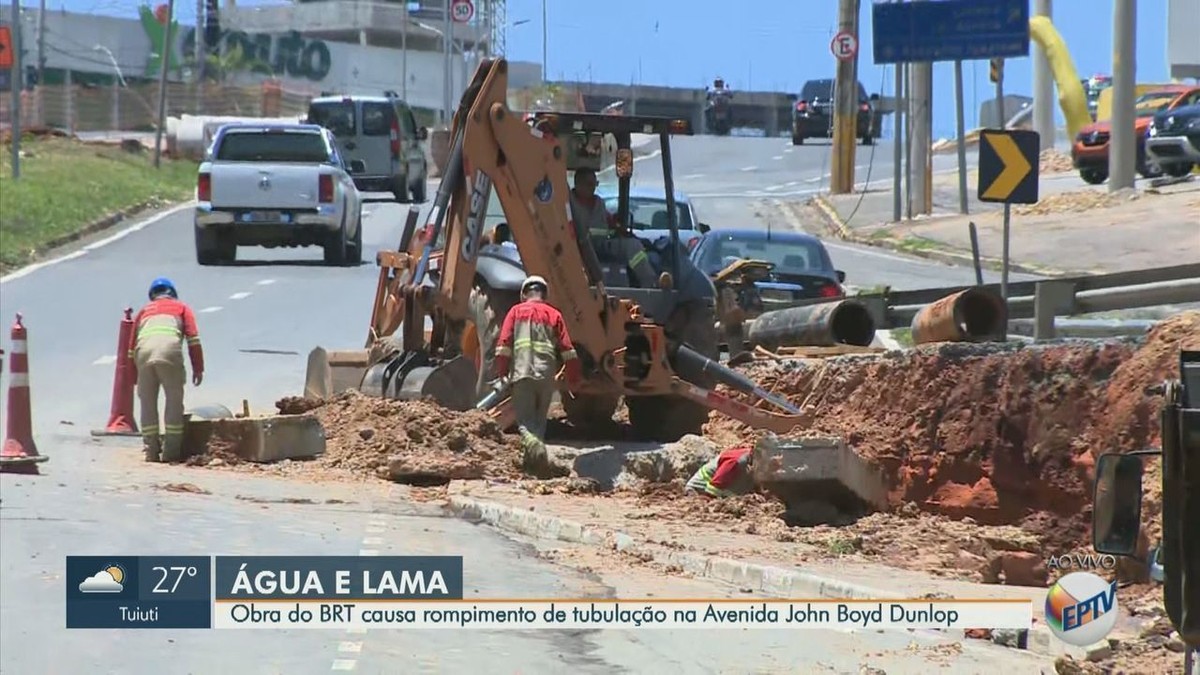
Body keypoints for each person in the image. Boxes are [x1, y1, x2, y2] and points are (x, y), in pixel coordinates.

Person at [494, 275, 583, 477]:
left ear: (524, 294)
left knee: (525, 423)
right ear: (545, 293)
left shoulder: (515, 312)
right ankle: (533, 466)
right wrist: (574, 377)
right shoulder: (554, 314)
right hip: (546, 376)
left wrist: (501, 371)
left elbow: (503, 345)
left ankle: (535, 449)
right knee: (539, 421)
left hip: (522, 374)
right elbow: (568, 350)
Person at [128, 277, 204, 463]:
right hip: (170, 353)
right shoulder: (182, 308)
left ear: (152, 295)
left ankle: (151, 450)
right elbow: (193, 340)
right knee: (173, 400)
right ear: (173, 293)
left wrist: (133, 375)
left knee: (147, 402)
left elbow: (130, 348)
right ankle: (172, 451)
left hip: (143, 354)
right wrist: (198, 368)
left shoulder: (144, 311)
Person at [567, 168, 657, 287]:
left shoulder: (599, 203)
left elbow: (610, 222)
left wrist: (620, 229)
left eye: (595, 184)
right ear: (578, 184)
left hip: (602, 247)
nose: (593, 188)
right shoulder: (568, 203)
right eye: (590, 184)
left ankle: (651, 283)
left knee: (633, 246)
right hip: (578, 250)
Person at [685, 446, 756, 498]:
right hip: (700, 490)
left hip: (726, 493)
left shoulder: (754, 462)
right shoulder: (735, 462)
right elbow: (713, 490)